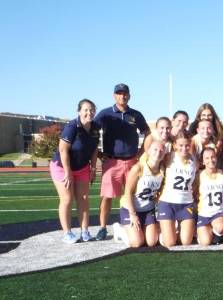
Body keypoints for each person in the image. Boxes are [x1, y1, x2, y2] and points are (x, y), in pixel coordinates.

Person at [94, 83, 150, 241]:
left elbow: (148, 133)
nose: (122, 96)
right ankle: (103, 228)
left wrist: (140, 153)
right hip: (112, 161)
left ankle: (137, 224)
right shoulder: (105, 114)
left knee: (134, 195)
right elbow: (91, 132)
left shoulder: (135, 114)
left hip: (132, 161)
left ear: (129, 96)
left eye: (124, 93)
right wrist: (98, 153)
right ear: (114, 96)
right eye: (119, 93)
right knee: (107, 197)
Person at [50, 99, 100, 243]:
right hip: (62, 167)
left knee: (83, 199)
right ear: (79, 111)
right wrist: (68, 172)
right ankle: (67, 233)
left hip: (82, 166)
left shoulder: (95, 127)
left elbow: (94, 149)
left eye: (91, 110)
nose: (89, 112)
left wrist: (93, 168)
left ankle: (85, 231)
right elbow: (63, 150)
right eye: (85, 110)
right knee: (67, 199)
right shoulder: (72, 127)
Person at [113, 140, 165, 247]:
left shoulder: (162, 170)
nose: (158, 152)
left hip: (147, 210)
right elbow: (127, 192)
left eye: (161, 150)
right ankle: (119, 229)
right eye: (155, 149)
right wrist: (132, 214)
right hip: (131, 209)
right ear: (149, 151)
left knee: (151, 242)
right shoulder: (138, 168)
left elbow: (159, 192)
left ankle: (141, 228)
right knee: (137, 243)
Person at [156, 131, 198, 247]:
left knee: (186, 242)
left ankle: (174, 230)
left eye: (187, 145)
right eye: (180, 145)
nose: (184, 148)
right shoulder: (169, 156)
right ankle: (162, 232)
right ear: (174, 145)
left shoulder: (194, 160)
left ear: (190, 144)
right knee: (170, 243)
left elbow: (195, 182)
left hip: (186, 204)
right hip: (168, 202)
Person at [195, 147, 223, 246]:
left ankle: (221, 232)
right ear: (202, 161)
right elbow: (194, 193)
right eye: (207, 158)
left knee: (220, 227)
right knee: (205, 242)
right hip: (203, 214)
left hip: (218, 213)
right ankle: (205, 232)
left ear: (216, 158)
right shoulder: (199, 176)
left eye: (213, 157)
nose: (210, 160)